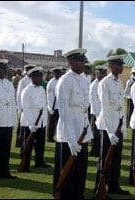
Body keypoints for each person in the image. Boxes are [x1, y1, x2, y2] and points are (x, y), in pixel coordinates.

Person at [53, 48, 93, 199]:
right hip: (68, 134)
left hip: (82, 132)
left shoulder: (83, 80)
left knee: (81, 170)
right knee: (66, 171)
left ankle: (78, 195)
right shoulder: (65, 81)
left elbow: (84, 108)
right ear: (71, 62)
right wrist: (70, 139)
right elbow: (63, 112)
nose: (83, 64)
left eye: (84, 61)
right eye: (80, 61)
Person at [94, 55, 130, 196]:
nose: (121, 68)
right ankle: (99, 187)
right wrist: (110, 131)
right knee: (104, 159)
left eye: (121, 65)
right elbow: (106, 108)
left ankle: (114, 185)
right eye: (119, 65)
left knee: (116, 159)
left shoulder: (119, 83)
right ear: (112, 66)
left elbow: (121, 107)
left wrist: (122, 127)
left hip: (117, 125)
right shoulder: (105, 83)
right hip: (107, 127)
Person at [19, 66, 51, 172]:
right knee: (27, 145)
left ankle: (39, 161)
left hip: (40, 121)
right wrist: (31, 124)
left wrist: (44, 121)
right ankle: (25, 164)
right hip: (30, 122)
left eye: (41, 76)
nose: (40, 79)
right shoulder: (27, 91)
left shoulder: (42, 89)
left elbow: (44, 105)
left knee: (40, 144)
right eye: (38, 77)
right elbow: (26, 108)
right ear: (32, 77)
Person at [15, 64, 36, 147]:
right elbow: (19, 95)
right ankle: (19, 141)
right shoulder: (23, 81)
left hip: (33, 107)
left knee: (32, 124)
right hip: (24, 107)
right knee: (22, 125)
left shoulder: (33, 79)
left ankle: (31, 141)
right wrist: (19, 108)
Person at [89, 65, 107, 156]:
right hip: (96, 113)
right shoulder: (94, 85)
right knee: (95, 132)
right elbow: (93, 100)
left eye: (105, 73)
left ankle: (99, 149)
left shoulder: (103, 83)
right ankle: (94, 150)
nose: (103, 75)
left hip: (103, 112)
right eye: (101, 73)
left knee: (101, 132)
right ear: (96, 74)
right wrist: (97, 114)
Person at [46, 67, 63, 142]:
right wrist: (50, 107)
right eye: (56, 73)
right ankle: (49, 137)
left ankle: (59, 136)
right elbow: (49, 96)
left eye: (59, 73)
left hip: (61, 106)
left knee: (60, 123)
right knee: (51, 123)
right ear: (53, 74)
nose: (58, 74)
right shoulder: (51, 83)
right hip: (53, 106)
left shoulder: (62, 81)